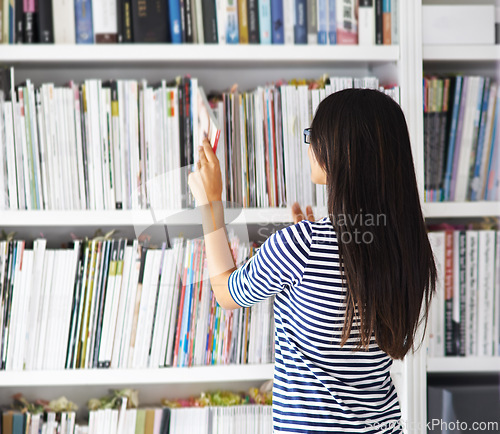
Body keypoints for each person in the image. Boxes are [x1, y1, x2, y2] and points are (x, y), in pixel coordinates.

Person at [188, 88, 437, 433]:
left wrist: (211, 203)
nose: (309, 145)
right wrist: (302, 249)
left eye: (313, 135)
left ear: (340, 152)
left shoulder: (302, 246)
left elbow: (226, 292)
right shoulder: (409, 245)